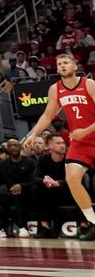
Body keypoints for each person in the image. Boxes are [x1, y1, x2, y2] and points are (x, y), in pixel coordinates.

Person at [25, 53, 95, 240]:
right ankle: (93, 222)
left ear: (75, 66)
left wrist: (86, 130)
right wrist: (34, 134)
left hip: (90, 134)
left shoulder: (89, 84)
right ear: (57, 69)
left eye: (66, 63)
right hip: (79, 143)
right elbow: (48, 116)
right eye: (60, 64)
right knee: (72, 178)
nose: (63, 66)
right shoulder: (55, 89)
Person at [0, 139, 34, 238]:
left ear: (20, 147)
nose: (13, 148)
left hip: (28, 193)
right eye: (10, 146)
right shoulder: (2, 165)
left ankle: (22, 227)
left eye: (15, 145)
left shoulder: (30, 162)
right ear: (7, 149)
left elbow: (35, 181)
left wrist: (21, 185)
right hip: (10, 194)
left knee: (16, 192)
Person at [32, 133, 81, 238]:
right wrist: (45, 181)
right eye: (58, 143)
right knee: (36, 188)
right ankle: (45, 227)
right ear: (49, 147)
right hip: (50, 192)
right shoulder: (43, 160)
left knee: (79, 188)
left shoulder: (71, 159)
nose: (62, 145)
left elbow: (75, 178)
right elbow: (35, 178)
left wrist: (59, 183)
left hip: (67, 192)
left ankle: (84, 225)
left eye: (63, 143)